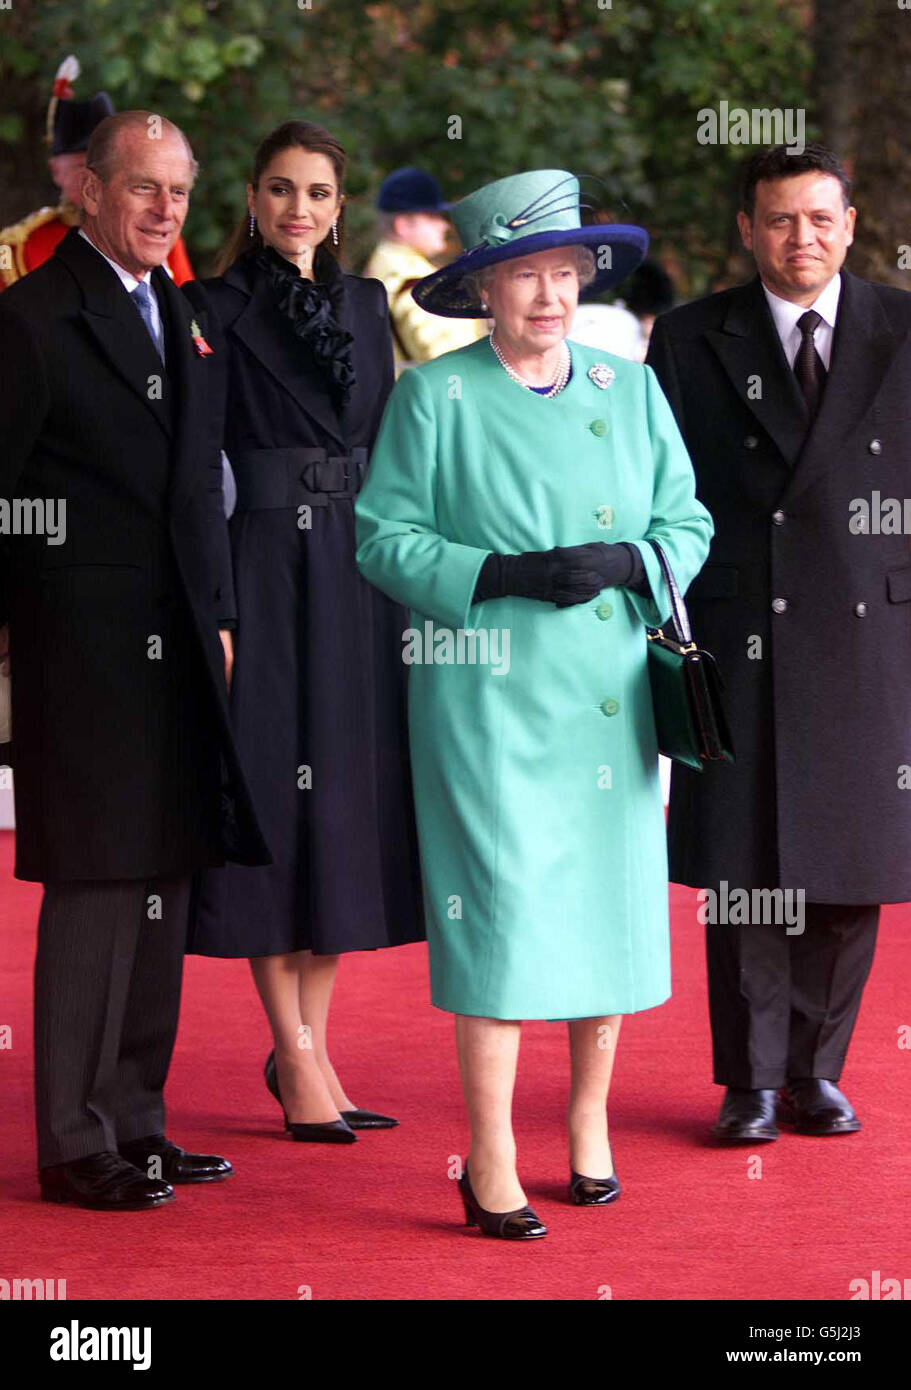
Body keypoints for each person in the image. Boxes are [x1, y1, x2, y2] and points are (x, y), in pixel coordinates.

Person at [355, 169, 712, 1238]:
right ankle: (491, 1153)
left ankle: (588, 1123)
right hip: (485, 696)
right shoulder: (432, 396)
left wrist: (636, 555)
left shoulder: (626, 386)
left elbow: (689, 520)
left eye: (565, 273)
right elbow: (382, 538)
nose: (550, 295)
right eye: (525, 276)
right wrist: (500, 575)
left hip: (605, 695)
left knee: (601, 913)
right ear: (481, 290)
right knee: (500, 917)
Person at [0, 111, 269, 1210]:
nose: (165, 211)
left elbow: (200, 488)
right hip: (84, 649)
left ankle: (138, 1120)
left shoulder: (186, 315)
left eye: (178, 191)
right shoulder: (27, 319)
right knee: (97, 884)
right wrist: (41, 619)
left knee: (162, 876)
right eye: (143, 189)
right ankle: (72, 1141)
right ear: (90, 198)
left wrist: (221, 616)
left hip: (184, 649)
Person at [646, 143, 911, 1144]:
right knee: (745, 862)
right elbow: (659, 487)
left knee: (849, 863)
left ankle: (814, 1070)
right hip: (738, 625)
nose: (799, 238)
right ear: (745, 230)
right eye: (777, 220)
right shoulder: (685, 335)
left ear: (848, 225)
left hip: (871, 625)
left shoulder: (899, 325)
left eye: (818, 219)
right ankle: (749, 1078)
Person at [185, 121, 424, 1144]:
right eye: (279, 189)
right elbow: (195, 467)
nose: (297, 208)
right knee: (274, 815)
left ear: (339, 206)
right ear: (250, 197)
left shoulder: (371, 306)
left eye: (318, 192)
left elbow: (393, 441)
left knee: (340, 815)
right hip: (263, 570)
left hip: (359, 574)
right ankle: (295, 1052)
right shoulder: (208, 308)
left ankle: (309, 1053)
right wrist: (219, 610)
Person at [0, 55, 193, 291]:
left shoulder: (156, 232)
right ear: (56, 172)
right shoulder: (17, 249)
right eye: (81, 167)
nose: (95, 179)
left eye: (106, 166)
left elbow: (188, 315)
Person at [363, 166, 483, 373]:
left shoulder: (382, 266)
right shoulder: (411, 278)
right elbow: (449, 362)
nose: (443, 226)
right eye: (433, 217)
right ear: (403, 225)